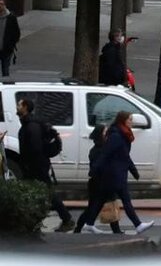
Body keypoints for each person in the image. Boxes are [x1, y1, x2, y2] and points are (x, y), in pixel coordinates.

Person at [87, 111, 153, 234]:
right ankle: (138, 225)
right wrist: (94, 169)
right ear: (123, 120)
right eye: (129, 119)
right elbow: (105, 154)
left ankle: (89, 223)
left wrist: (133, 171)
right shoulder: (117, 136)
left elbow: (124, 156)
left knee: (101, 199)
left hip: (116, 172)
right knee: (125, 199)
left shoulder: (122, 134)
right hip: (114, 173)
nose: (131, 122)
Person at [16, 98, 73, 232]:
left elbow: (35, 148)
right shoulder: (29, 123)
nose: (17, 107)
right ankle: (34, 222)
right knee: (41, 192)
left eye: (19, 105)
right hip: (36, 165)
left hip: (36, 166)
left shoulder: (31, 126)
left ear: (25, 107)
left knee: (46, 193)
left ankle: (65, 219)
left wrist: (28, 165)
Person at [74, 125, 124, 234]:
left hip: (104, 181)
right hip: (99, 182)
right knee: (95, 206)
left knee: (107, 204)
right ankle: (81, 227)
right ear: (100, 134)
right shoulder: (97, 150)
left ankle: (115, 229)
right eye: (105, 132)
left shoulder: (104, 148)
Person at [0, 0, 21, 76]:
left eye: (1, 4)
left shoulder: (11, 17)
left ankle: (6, 86)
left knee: (5, 69)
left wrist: (11, 44)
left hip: (6, 49)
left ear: (4, 5)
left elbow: (16, 33)